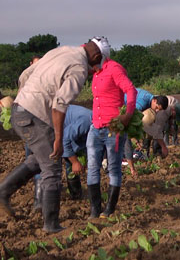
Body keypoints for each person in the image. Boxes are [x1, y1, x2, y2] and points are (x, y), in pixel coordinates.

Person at [0, 37, 103, 233]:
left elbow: (25, 75)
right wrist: (58, 138)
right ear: (96, 56)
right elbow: (59, 104)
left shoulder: (61, 50)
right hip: (34, 116)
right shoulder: (79, 68)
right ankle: (51, 224)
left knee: (38, 160)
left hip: (19, 110)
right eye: (96, 66)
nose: (94, 71)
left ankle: (3, 191)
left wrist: (24, 96)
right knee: (53, 168)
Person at [86, 39, 138, 219]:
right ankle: (95, 210)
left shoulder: (114, 68)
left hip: (114, 127)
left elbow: (131, 90)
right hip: (96, 126)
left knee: (113, 168)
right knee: (92, 167)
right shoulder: (95, 72)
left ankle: (109, 209)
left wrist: (128, 115)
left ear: (99, 54)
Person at [31, 105, 92, 211]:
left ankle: (76, 196)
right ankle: (39, 202)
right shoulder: (87, 122)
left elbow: (81, 143)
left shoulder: (94, 125)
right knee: (46, 163)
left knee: (73, 156)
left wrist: (81, 161)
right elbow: (65, 139)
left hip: (63, 129)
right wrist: (75, 162)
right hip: (45, 127)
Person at [123, 88, 169, 175]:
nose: (157, 111)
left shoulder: (150, 100)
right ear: (154, 101)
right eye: (156, 108)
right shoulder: (142, 103)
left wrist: (163, 146)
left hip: (127, 108)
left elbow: (153, 129)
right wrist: (136, 141)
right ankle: (132, 169)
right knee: (125, 137)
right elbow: (129, 120)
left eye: (159, 110)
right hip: (117, 106)